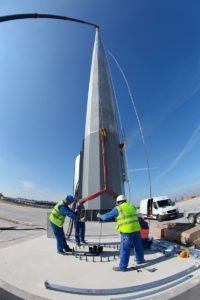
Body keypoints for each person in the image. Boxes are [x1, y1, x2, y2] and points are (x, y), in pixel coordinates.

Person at [97, 194, 144, 272]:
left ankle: (122, 267)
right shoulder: (132, 206)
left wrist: (100, 216)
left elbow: (106, 216)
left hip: (127, 231)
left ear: (118, 202)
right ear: (125, 200)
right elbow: (128, 215)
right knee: (138, 246)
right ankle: (140, 260)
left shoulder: (118, 208)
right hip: (136, 229)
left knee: (125, 249)